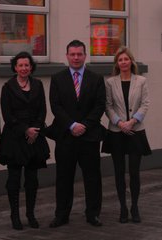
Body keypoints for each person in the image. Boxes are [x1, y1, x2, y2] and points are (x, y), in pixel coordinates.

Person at [47, 40, 106, 228]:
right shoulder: (57, 78)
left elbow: (99, 106)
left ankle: (93, 214)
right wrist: (72, 125)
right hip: (66, 136)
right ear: (67, 56)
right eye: (72, 54)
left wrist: (84, 125)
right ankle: (62, 215)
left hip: (89, 137)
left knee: (92, 177)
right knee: (64, 177)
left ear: (85, 55)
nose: (76, 57)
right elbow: (56, 106)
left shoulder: (96, 78)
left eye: (79, 54)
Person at [0, 51, 50, 230]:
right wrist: (24, 130)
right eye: (20, 65)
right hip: (14, 138)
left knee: (32, 179)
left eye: (27, 65)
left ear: (31, 67)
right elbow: (7, 115)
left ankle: (30, 214)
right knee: (14, 179)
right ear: (15, 67)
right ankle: (15, 216)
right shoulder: (7, 87)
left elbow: (43, 110)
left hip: (34, 137)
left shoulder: (38, 84)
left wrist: (35, 129)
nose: (24, 68)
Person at [102, 46, 151, 223]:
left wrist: (132, 121)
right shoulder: (110, 82)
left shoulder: (141, 81)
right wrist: (120, 123)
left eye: (126, 59)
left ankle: (134, 206)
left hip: (135, 131)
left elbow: (145, 104)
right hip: (117, 132)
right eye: (120, 60)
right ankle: (123, 207)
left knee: (134, 172)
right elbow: (107, 106)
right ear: (117, 63)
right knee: (119, 172)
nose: (123, 62)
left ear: (131, 61)